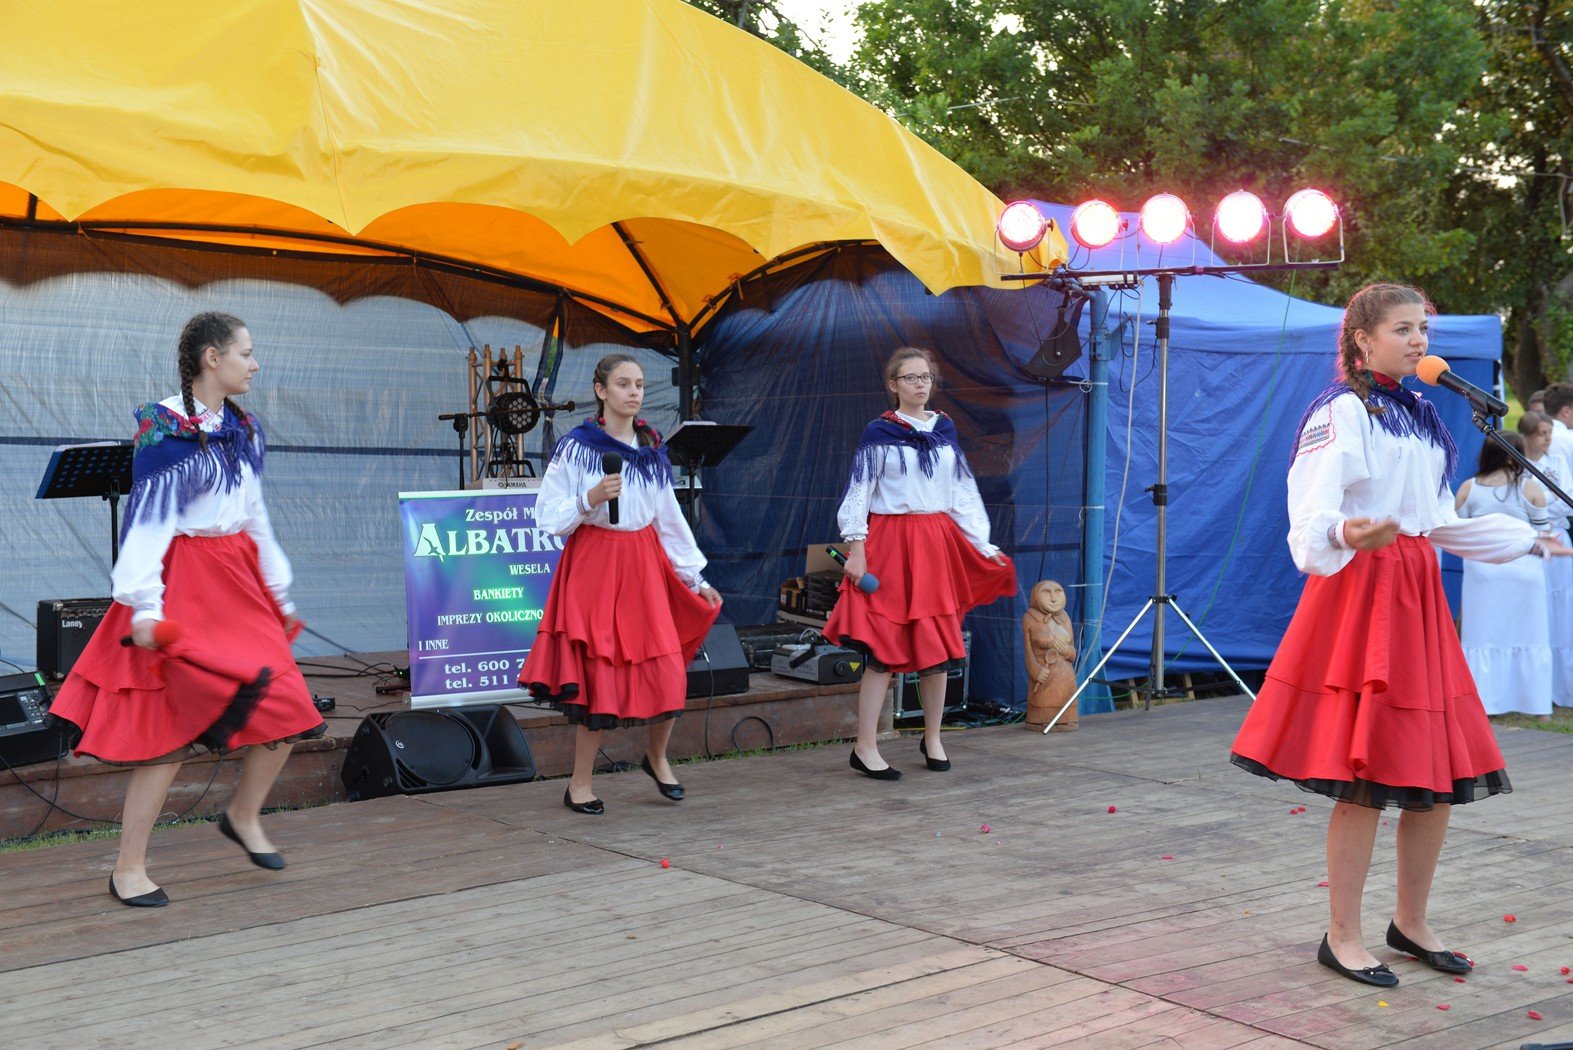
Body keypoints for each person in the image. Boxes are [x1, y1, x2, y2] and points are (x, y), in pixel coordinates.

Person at [1229, 284, 1568, 987]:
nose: (1419, 341)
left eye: (1423, 330)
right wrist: (1346, 531)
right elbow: (1309, 517)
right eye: (1403, 329)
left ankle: (1410, 922)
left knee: (1435, 771)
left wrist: (1524, 539)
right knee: (1363, 776)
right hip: (1363, 592)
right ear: (1362, 340)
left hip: (1415, 593)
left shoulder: (1420, 416)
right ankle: (1342, 935)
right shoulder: (1341, 412)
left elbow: (1434, 522)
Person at [50, 312, 326, 908]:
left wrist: (278, 593)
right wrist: (145, 608)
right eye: (246, 353)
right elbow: (147, 525)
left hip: (239, 583)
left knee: (289, 706)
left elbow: (255, 515)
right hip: (183, 583)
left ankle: (243, 815)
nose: (255, 364)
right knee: (167, 732)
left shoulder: (244, 429)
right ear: (212, 358)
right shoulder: (165, 433)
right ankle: (128, 868)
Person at [518, 353, 721, 814]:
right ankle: (579, 784)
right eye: (624, 384)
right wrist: (589, 498)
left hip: (643, 565)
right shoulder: (577, 447)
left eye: (640, 385)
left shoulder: (651, 453)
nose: (634, 392)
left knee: (667, 669)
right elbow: (547, 516)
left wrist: (695, 576)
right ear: (601, 390)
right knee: (597, 676)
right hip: (594, 564)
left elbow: (669, 519)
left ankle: (657, 757)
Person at [826, 347, 1016, 779]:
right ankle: (865, 747)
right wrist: (857, 548)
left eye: (925, 377)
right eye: (910, 377)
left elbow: (962, 491)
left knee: (937, 645)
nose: (920, 384)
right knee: (882, 646)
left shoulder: (944, 429)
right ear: (893, 385)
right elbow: (859, 492)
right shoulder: (879, 432)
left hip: (935, 544)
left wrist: (982, 542)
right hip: (891, 543)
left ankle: (932, 737)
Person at [1456, 432, 1554, 718]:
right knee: (1530, 633)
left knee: (1482, 635)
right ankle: (1535, 704)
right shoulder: (1530, 487)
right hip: (1524, 568)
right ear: (1515, 455)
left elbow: (1458, 531)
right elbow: (1544, 533)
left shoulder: (1468, 487)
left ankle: (1483, 700)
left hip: (1482, 570)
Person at [1519, 410, 1573, 706]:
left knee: (1563, 608)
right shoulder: (1519, 464)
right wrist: (1540, 505)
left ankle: (1564, 684)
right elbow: (1520, 503)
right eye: (1542, 434)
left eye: (1550, 433)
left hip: (1557, 535)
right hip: (1533, 541)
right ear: (1528, 436)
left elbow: (1566, 501)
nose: (1548, 439)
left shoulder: (1558, 462)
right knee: (1537, 608)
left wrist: (1540, 504)